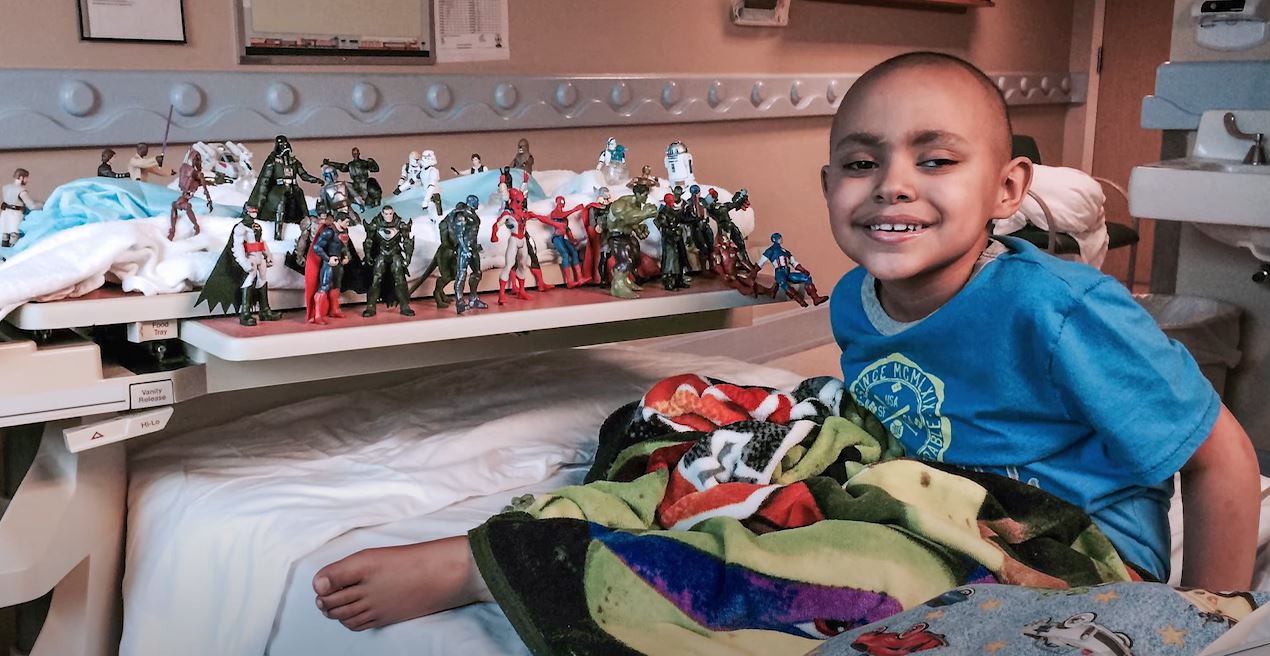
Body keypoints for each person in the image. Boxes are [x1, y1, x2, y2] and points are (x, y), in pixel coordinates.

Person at [310, 52, 1259, 633]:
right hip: (905, 487)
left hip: (1048, 547)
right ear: (831, 185)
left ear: (1008, 190)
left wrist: (1205, 617)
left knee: (816, 556)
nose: (891, 184)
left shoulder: (1062, 311)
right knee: (692, 417)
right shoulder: (855, 301)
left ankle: (508, 568)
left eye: (934, 160)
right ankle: (554, 521)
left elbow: (1221, 460)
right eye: (861, 163)